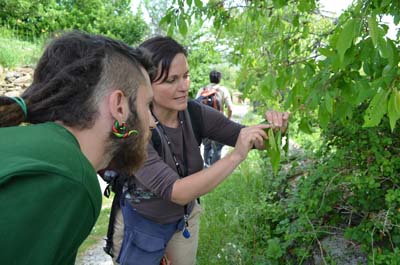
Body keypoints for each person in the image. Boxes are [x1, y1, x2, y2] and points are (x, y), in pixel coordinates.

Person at [109, 36, 289, 265]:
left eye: (186, 76)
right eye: (171, 80)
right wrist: (236, 156)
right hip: (141, 225)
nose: (184, 86)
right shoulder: (135, 128)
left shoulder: (194, 113)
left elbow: (249, 137)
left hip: (184, 221)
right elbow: (177, 191)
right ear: (145, 84)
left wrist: (275, 128)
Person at [0, 30, 155, 265]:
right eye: (147, 105)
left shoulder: (30, 145)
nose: (152, 121)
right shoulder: (68, 177)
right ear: (120, 107)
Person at [196, 70, 233, 166]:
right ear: (219, 79)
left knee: (207, 147)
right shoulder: (223, 90)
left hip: (204, 124)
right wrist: (227, 120)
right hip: (219, 124)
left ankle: (207, 167)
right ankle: (214, 171)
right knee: (218, 148)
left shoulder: (202, 90)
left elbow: (195, 105)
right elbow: (230, 108)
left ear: (210, 78)